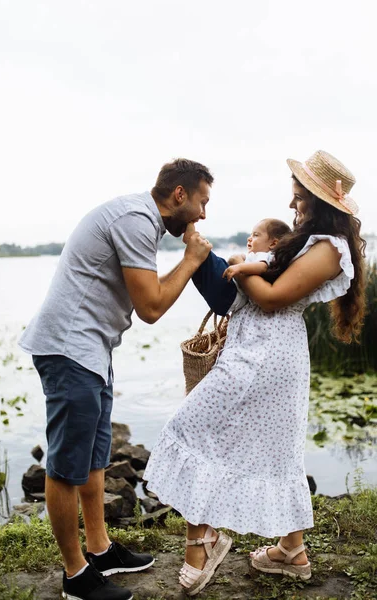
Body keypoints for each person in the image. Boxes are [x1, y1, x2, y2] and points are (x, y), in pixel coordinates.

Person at [143, 150, 366, 596]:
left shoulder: (330, 250)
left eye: (299, 198)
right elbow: (266, 283)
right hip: (261, 349)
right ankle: (291, 551)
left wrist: (236, 268)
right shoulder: (311, 242)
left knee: (195, 427)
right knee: (277, 451)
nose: (292, 206)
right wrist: (242, 265)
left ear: (321, 202)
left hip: (266, 355)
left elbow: (271, 298)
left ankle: (200, 542)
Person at [18, 158, 214, 600]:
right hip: (69, 347)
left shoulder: (139, 219)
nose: (203, 214)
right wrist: (192, 258)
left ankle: (100, 549)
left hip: (91, 349)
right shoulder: (136, 221)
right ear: (179, 195)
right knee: (67, 465)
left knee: (93, 457)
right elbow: (151, 307)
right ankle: (75, 575)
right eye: (202, 202)